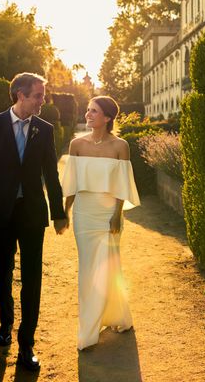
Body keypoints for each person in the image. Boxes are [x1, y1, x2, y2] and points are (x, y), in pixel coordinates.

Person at [0, 72, 68, 371]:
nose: (43, 100)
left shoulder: (44, 129)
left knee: (32, 277)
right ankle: (5, 321)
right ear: (20, 95)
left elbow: (51, 173)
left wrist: (58, 212)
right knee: (1, 272)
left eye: (43, 95)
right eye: (38, 95)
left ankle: (27, 343)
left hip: (32, 212)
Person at [61, 96, 140, 350]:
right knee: (88, 270)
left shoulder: (120, 146)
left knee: (110, 267)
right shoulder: (76, 145)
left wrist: (118, 213)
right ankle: (89, 330)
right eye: (87, 110)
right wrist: (65, 211)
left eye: (93, 111)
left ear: (107, 118)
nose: (88, 114)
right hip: (84, 213)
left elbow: (122, 184)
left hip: (109, 213)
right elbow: (72, 183)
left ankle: (116, 315)